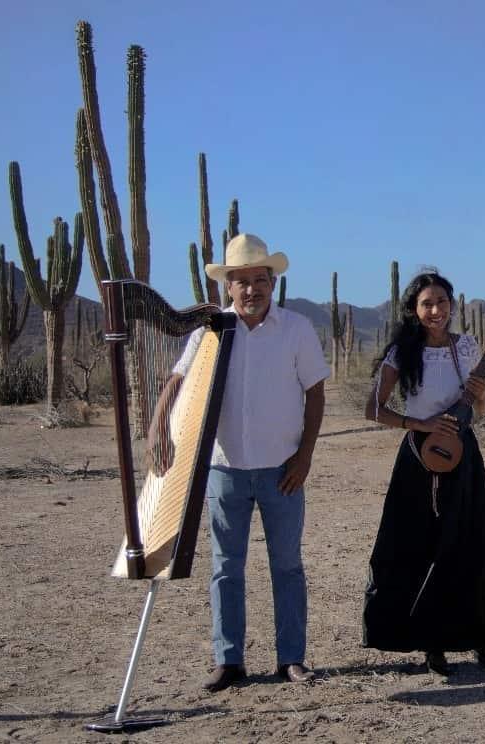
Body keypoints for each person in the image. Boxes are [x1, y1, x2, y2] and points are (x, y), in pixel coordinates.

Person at [149, 233, 328, 691]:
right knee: (226, 566)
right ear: (227, 286)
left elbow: (315, 393)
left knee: (286, 565)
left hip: (282, 470)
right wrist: (157, 426)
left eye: (260, 280)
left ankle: (292, 658)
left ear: (273, 282)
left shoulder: (297, 329)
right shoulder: (210, 329)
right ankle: (228, 660)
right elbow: (176, 380)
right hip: (225, 469)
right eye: (242, 281)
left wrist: (304, 457)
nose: (252, 289)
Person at [361, 270, 485, 675]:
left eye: (442, 302)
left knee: (474, 547)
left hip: (464, 456)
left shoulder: (467, 347)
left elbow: (481, 412)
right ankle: (432, 644)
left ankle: (481, 639)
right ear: (414, 309)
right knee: (422, 549)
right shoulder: (401, 353)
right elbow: (373, 409)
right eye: (426, 303)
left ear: (452, 306)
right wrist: (419, 423)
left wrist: (481, 401)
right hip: (418, 459)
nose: (435, 310)